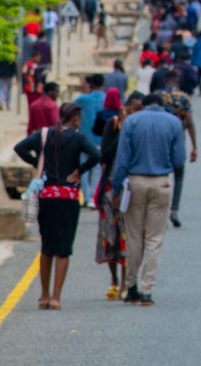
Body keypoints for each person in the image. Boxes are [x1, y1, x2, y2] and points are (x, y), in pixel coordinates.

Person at [15, 103, 101, 310]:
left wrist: (38, 163)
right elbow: (96, 156)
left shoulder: (44, 134)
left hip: (46, 195)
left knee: (46, 246)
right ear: (76, 119)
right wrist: (79, 172)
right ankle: (56, 298)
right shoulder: (78, 138)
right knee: (63, 249)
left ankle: (43, 296)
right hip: (68, 197)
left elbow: (19, 148)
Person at [111, 93, 186, 306]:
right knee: (155, 238)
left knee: (134, 236)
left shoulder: (132, 121)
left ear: (143, 105)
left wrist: (117, 188)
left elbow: (122, 158)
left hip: (135, 182)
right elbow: (179, 160)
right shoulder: (174, 122)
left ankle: (131, 286)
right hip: (161, 182)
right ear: (163, 106)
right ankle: (147, 289)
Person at [95, 90, 136, 301]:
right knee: (109, 236)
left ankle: (125, 282)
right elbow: (105, 154)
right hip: (110, 189)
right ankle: (113, 280)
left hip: (129, 191)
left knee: (126, 237)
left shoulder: (137, 127)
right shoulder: (113, 124)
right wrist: (122, 129)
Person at [156, 70, 197, 228]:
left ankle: (160, 211)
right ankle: (174, 210)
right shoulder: (183, 97)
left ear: (165, 80)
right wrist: (195, 147)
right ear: (177, 81)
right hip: (178, 138)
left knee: (160, 174)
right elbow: (190, 121)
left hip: (160, 139)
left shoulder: (158, 96)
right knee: (179, 174)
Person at [74, 75, 107, 208]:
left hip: (84, 139)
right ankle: (94, 197)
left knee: (83, 169)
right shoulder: (105, 99)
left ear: (90, 85)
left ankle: (86, 197)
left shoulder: (82, 99)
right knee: (98, 169)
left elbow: (70, 109)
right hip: (100, 140)